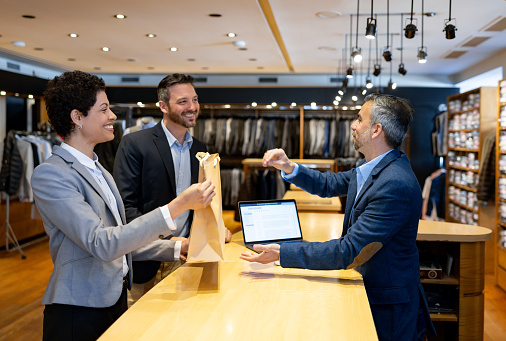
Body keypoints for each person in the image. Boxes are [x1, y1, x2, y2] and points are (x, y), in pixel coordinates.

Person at [32, 70, 216, 341]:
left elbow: (121, 240)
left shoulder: (99, 170)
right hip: (77, 310)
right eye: (104, 109)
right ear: (77, 117)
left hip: (114, 299)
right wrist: (177, 206)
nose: (113, 117)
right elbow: (101, 243)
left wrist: (177, 246)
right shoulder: (52, 174)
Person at [240, 94, 435, 341]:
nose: (353, 125)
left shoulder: (394, 183)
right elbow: (328, 184)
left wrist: (283, 252)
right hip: (373, 289)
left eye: (358, 119)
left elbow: (349, 250)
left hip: (387, 306)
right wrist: (289, 167)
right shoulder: (377, 167)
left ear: (376, 130)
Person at [113, 73, 231, 303]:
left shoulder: (199, 148)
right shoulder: (135, 144)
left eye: (195, 100)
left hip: (188, 257)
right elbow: (125, 207)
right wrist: (163, 244)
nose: (192, 107)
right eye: (183, 101)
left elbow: (203, 202)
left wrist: (216, 227)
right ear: (163, 106)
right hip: (146, 260)